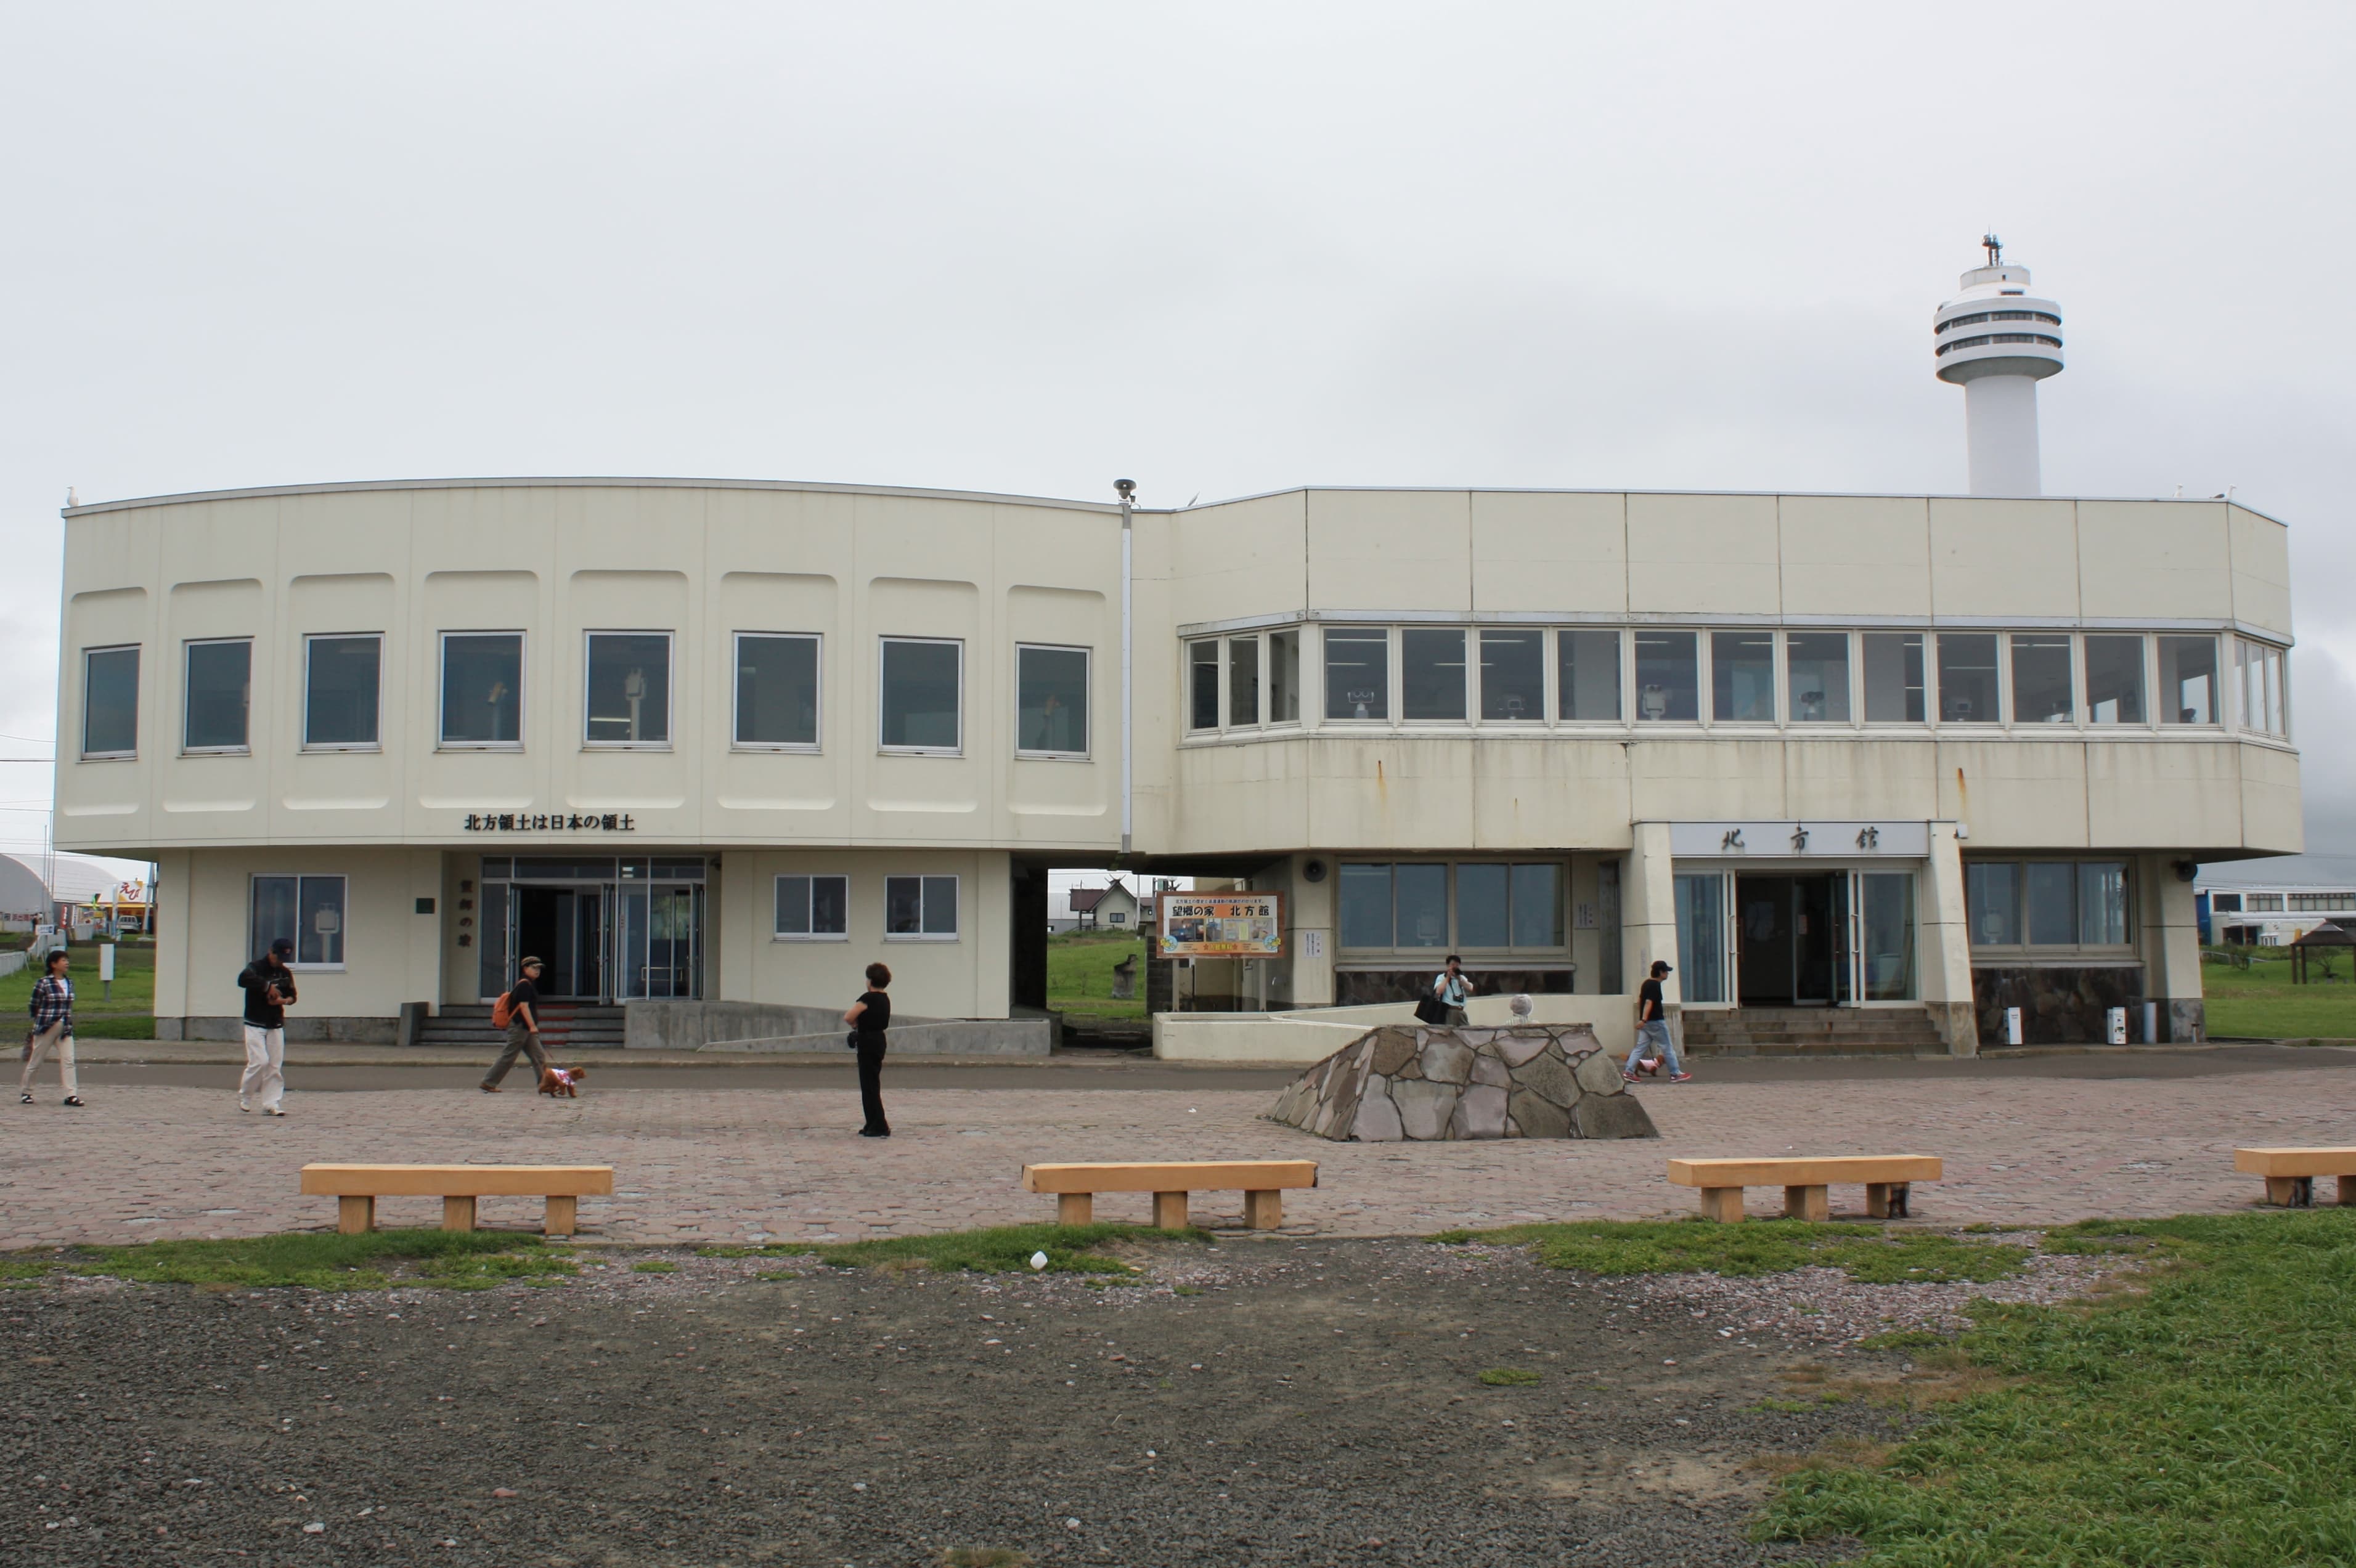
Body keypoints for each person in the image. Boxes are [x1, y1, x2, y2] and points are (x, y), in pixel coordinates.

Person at [236, 937, 298, 1115]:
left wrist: (283, 1001)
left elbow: (293, 996)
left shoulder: (285, 973)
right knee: (260, 1061)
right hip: (255, 1021)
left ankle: (271, 1103)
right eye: (278, 957)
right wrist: (266, 986)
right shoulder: (256, 967)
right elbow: (242, 980)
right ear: (271, 952)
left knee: (274, 1065)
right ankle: (246, 1095)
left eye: (284, 959)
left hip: (275, 1022)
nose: (280, 962)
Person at [20, 949, 84, 1107]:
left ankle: (71, 1095)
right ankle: (27, 1092)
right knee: (36, 1060)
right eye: (63, 960)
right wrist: (41, 1020)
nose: (67, 963)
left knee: (69, 1061)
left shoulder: (70, 983)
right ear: (53, 964)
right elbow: (34, 1004)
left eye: (67, 960)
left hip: (65, 1028)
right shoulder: (44, 983)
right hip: (46, 1027)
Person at [481, 956, 551, 1093]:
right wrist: (532, 1026)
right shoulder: (524, 985)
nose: (537, 971)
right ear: (525, 969)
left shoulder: (529, 984)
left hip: (525, 1027)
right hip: (520, 1026)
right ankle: (488, 1082)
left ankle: (545, 1084)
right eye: (534, 968)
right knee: (509, 1055)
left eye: (539, 968)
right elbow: (524, 1007)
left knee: (539, 1056)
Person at [844, 962, 893, 1137]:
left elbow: (848, 1017)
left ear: (870, 980)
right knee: (872, 1083)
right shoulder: (885, 999)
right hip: (879, 1040)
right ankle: (871, 1122)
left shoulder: (868, 998)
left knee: (869, 1085)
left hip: (867, 1042)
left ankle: (879, 1124)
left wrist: (855, 1025)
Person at [1625, 959, 1692, 1084]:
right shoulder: (1655, 985)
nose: (1667, 974)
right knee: (1667, 1047)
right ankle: (1675, 1073)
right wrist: (1644, 1019)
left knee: (1640, 1048)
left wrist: (1643, 1019)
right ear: (1661, 972)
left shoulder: (1646, 983)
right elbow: (1649, 1002)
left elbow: (1640, 1001)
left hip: (1647, 1024)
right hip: (1656, 1021)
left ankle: (1629, 1072)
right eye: (1666, 971)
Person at [1430, 955, 1472, 1026]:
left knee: (1466, 1031)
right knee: (1449, 1031)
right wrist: (1448, 977)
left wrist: (1459, 978)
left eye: (1457, 965)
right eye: (1453, 965)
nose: (1455, 967)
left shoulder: (1462, 978)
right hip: (1449, 1011)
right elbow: (1438, 992)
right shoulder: (1441, 977)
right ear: (1448, 965)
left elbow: (1470, 988)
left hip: (1461, 1011)